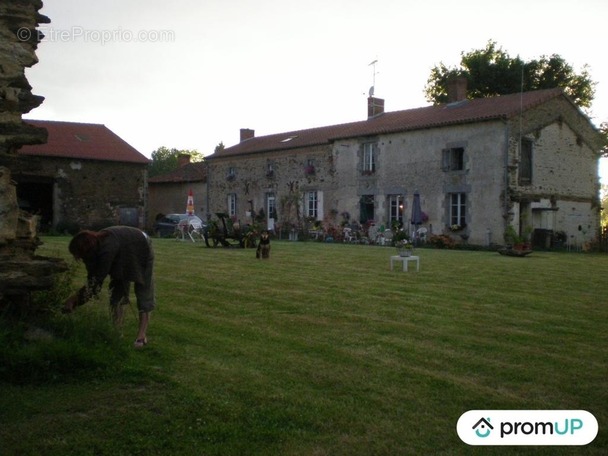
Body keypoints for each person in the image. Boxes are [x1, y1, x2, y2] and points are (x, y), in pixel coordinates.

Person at [63, 226, 155, 348]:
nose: (78, 258)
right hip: (123, 249)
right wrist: (77, 300)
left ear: (85, 249)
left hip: (141, 245)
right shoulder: (92, 253)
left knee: (143, 290)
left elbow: (97, 281)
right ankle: (117, 331)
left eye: (78, 255)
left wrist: (74, 300)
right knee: (117, 290)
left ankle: (141, 335)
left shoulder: (107, 249)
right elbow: (92, 280)